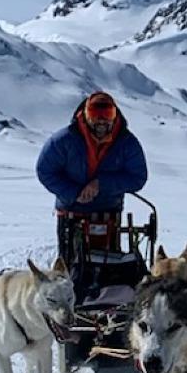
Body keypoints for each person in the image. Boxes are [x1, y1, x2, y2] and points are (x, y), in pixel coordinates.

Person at [37, 91, 148, 303]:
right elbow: (45, 171)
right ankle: (71, 311)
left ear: (115, 115)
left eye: (107, 114)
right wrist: (75, 193)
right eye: (95, 114)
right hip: (71, 212)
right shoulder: (65, 140)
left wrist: (102, 184)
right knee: (70, 268)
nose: (101, 121)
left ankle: (107, 309)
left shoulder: (126, 143)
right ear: (85, 115)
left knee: (109, 264)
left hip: (108, 213)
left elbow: (138, 177)